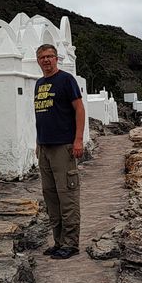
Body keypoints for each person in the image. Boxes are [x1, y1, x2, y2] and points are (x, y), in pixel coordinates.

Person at [33, 43, 86, 260]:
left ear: (56, 59)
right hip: (45, 148)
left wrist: (78, 140)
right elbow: (41, 117)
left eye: (50, 56)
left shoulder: (66, 80)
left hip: (63, 147)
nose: (46, 60)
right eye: (42, 57)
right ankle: (58, 242)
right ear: (38, 60)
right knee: (51, 197)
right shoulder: (39, 84)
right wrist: (38, 144)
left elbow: (79, 108)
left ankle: (71, 244)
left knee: (67, 196)